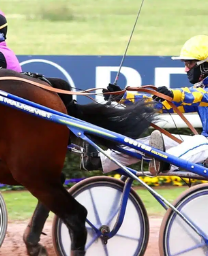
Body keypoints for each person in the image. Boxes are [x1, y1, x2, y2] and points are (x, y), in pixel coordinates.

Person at [83, 35, 208, 175]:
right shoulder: (199, 91)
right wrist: (123, 97)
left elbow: (200, 96)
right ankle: (101, 160)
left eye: (189, 64)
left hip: (204, 144)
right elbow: (161, 106)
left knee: (201, 141)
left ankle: (164, 161)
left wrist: (175, 93)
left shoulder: (199, 94)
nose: (186, 69)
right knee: (155, 141)